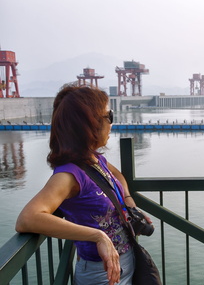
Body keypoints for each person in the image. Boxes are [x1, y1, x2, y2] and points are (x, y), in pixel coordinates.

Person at [16, 85, 152, 285]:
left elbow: (118, 176)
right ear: (90, 125)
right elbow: (27, 219)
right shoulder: (69, 175)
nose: (112, 123)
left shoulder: (94, 160)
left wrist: (129, 203)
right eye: (109, 116)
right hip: (101, 273)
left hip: (125, 260)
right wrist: (98, 237)